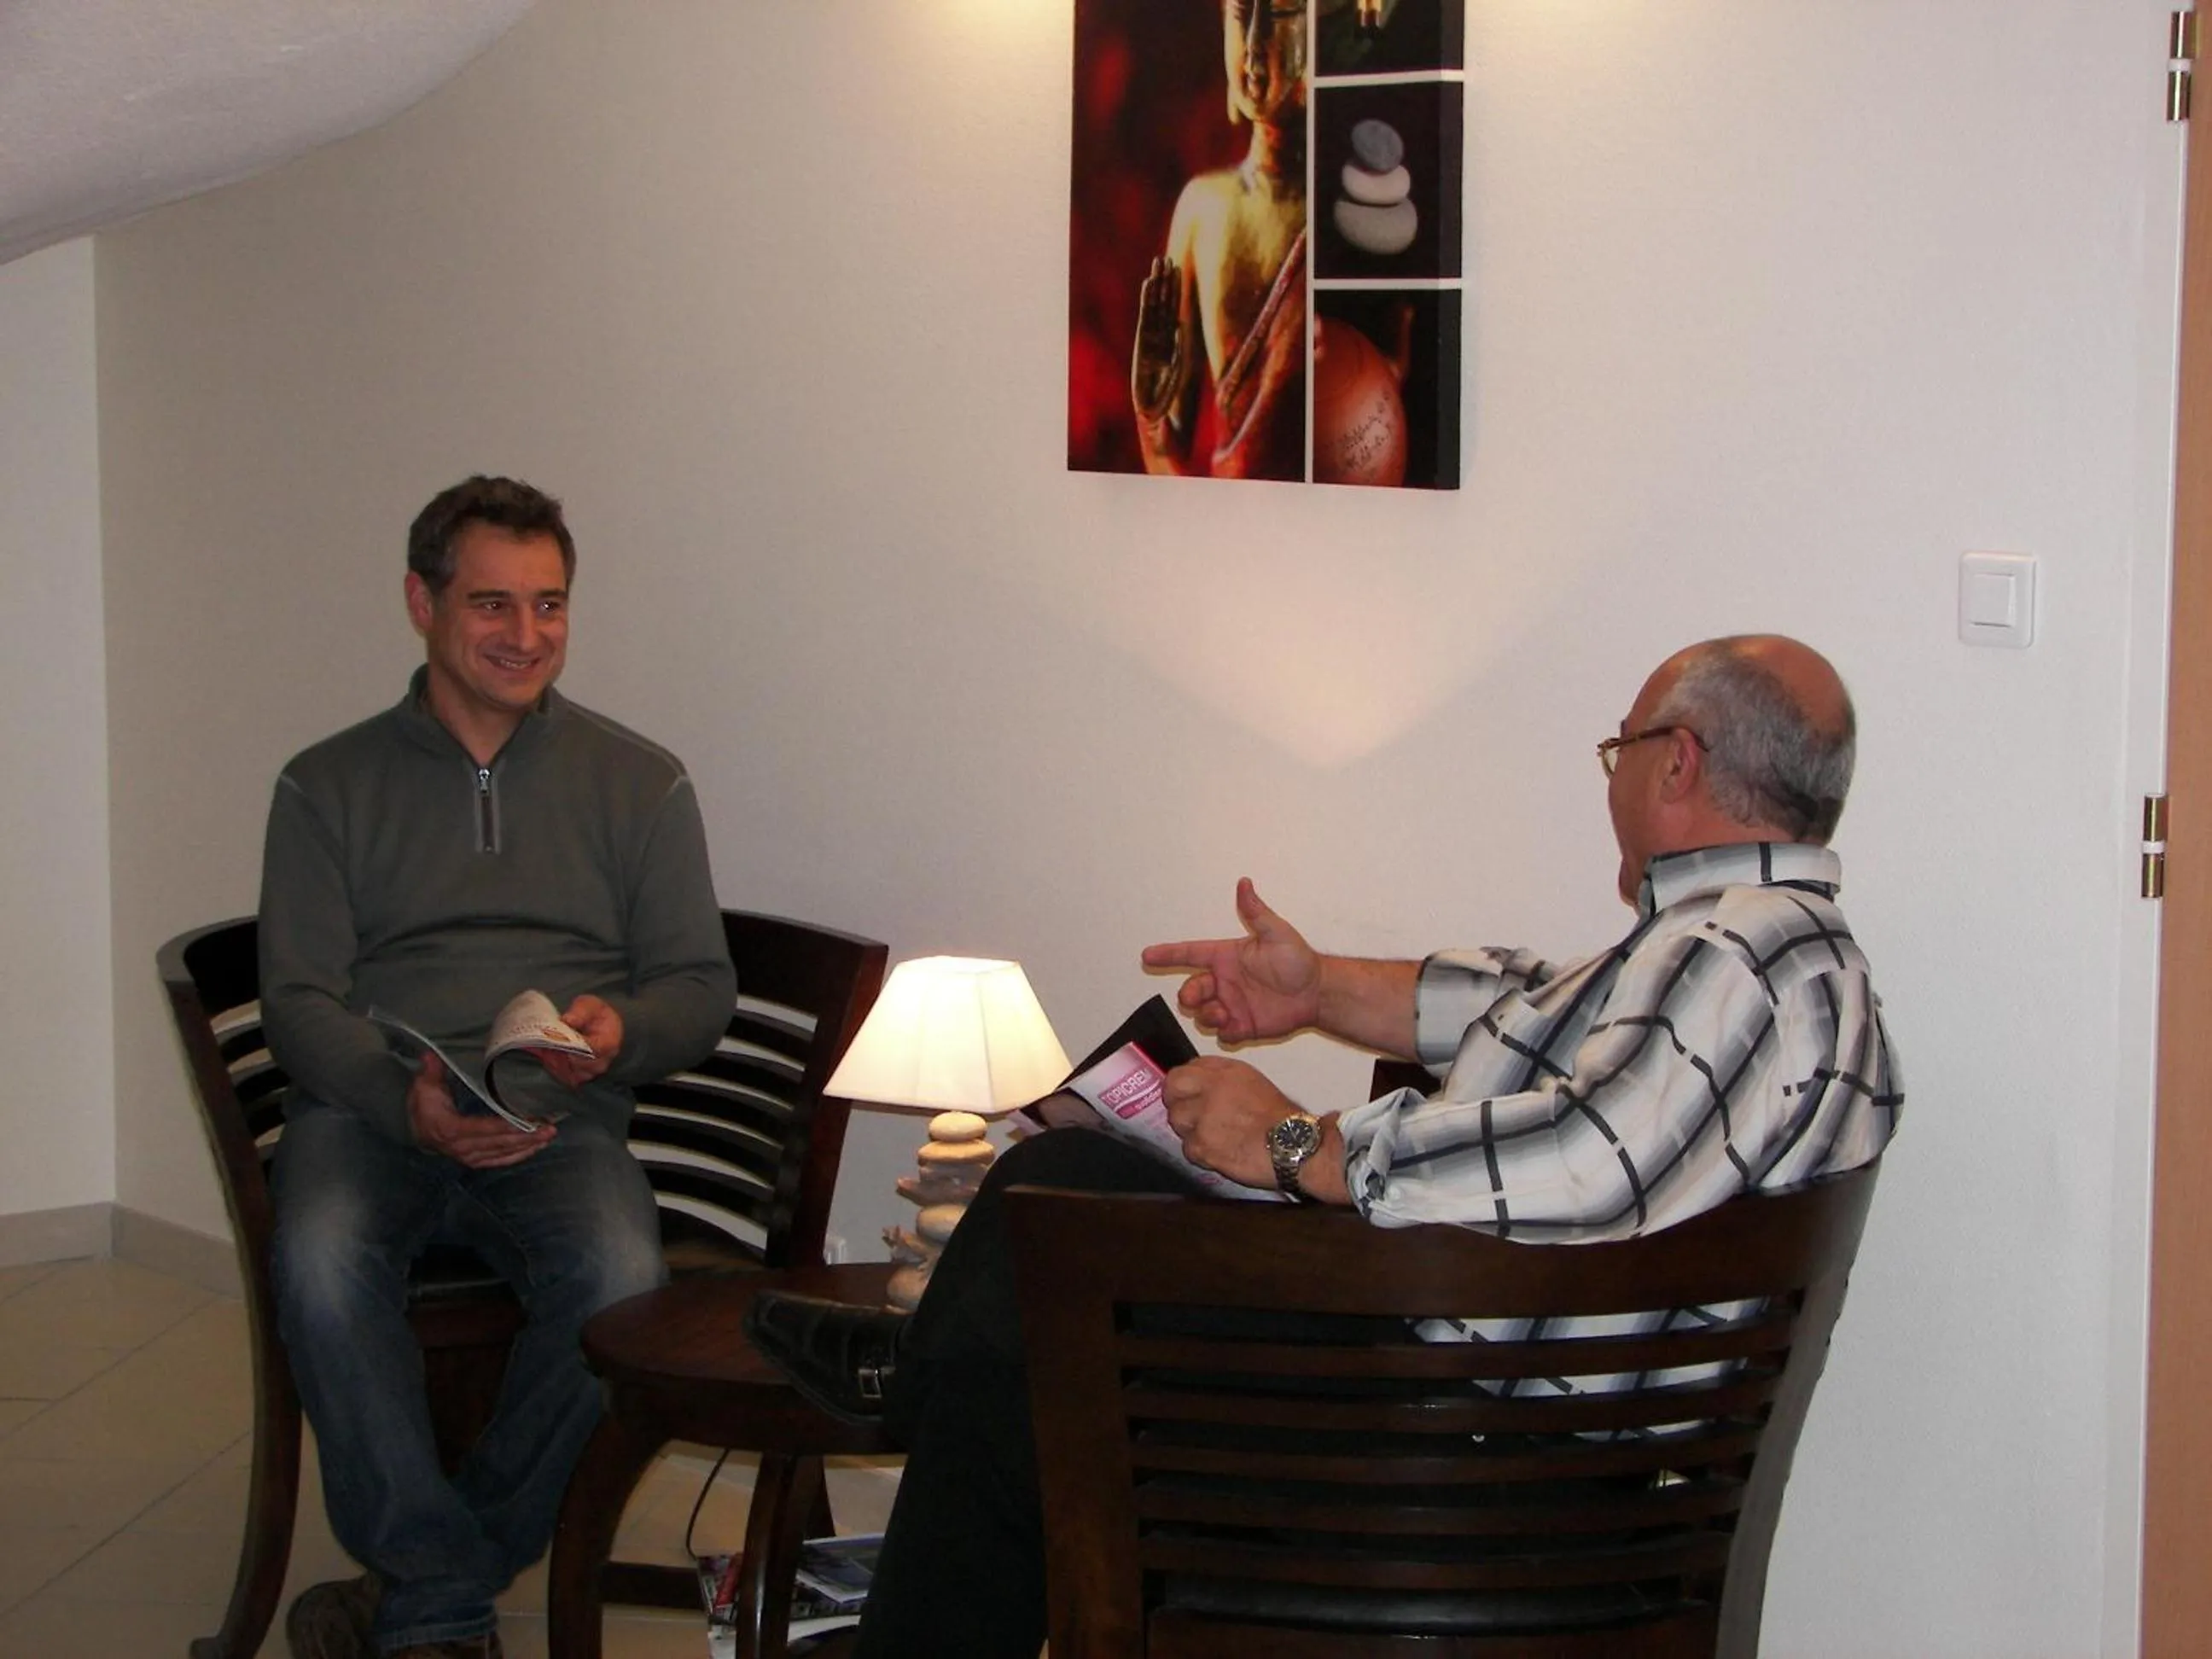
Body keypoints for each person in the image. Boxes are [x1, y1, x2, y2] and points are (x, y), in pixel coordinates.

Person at [748, 634, 1901, 1659]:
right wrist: (1315, 990)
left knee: (1058, 1227)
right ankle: (933, 1377)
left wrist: (1297, 1142)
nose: (1614, 782)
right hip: (1501, 1423)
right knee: (1053, 1270)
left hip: (1489, 1456)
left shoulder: (1733, 960)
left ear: (1678, 762)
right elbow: (1510, 1000)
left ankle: (920, 1379)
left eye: (1620, 753)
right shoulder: (1754, 950)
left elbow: (1585, 1156)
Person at [259, 476, 736, 1659]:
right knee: (317, 1261)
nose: (526, 637)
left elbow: (699, 986)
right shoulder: (326, 784)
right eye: (492, 605)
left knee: (623, 1279)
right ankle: (441, 1589)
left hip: (555, 1119)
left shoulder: (641, 781)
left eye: (550, 606)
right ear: (420, 603)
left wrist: (623, 1029)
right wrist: (396, 1097)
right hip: (374, 1111)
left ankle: (429, 1582)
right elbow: (299, 1000)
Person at [1131, 0, 1309, 480]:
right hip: (1226, 522)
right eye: (1240, 14)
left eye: (1281, 13)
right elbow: (1168, 456)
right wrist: (1152, 411)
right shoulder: (1203, 207)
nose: (1253, 45)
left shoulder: (1351, 206)